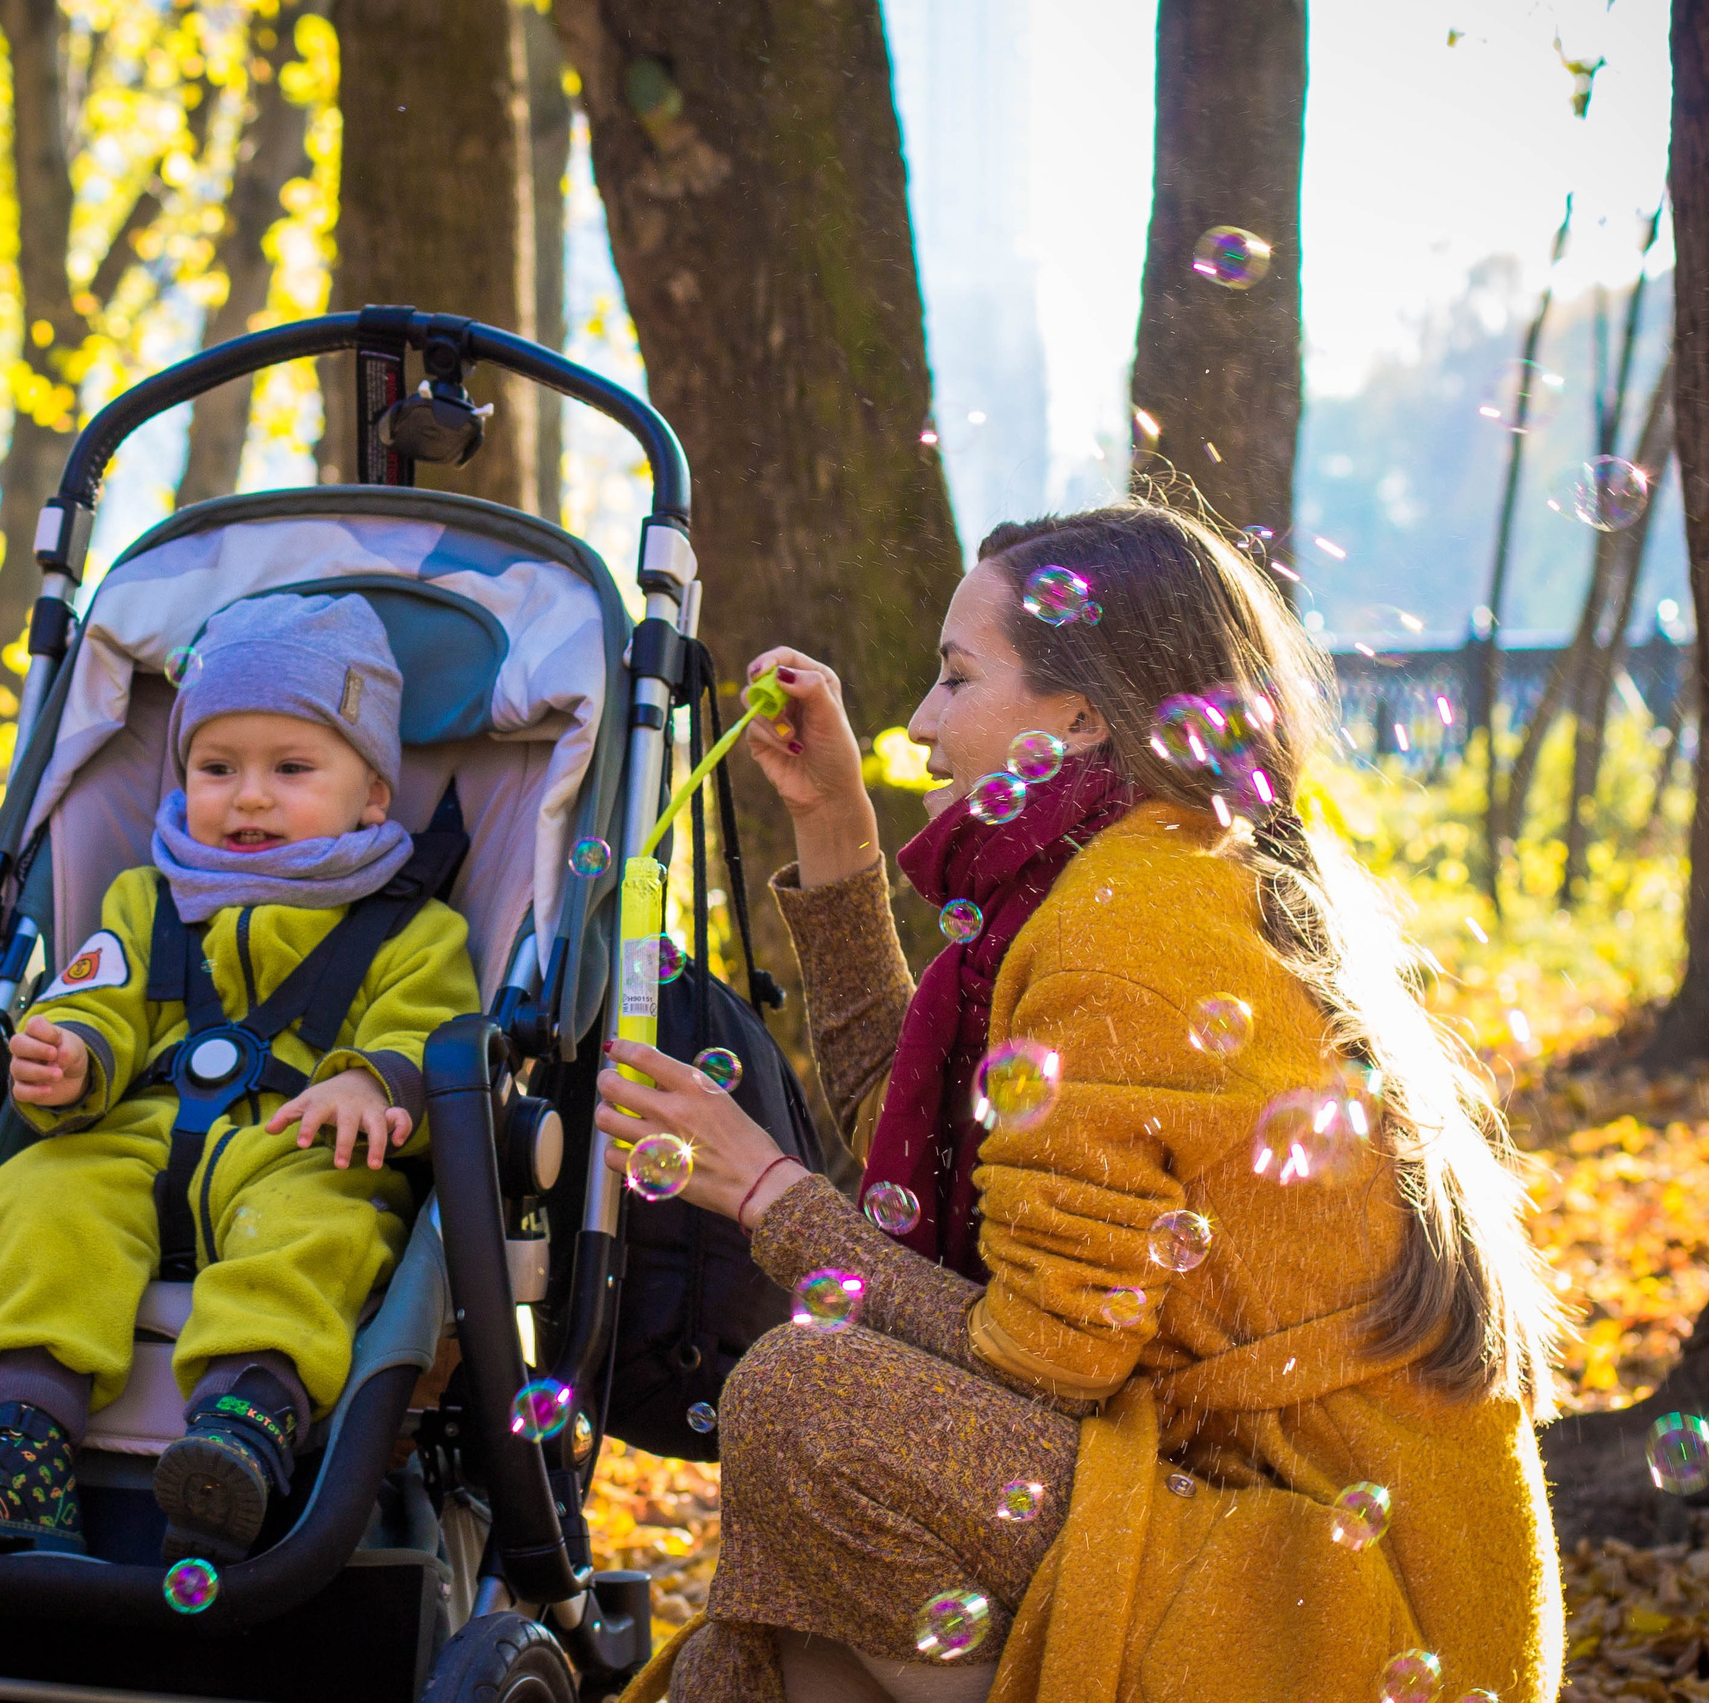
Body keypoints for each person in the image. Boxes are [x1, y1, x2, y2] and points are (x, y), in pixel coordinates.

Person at [599, 505, 1566, 1703]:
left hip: (1335, 1601)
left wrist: (764, 1194)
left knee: (809, 1403)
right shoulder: (1131, 874)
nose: (920, 721)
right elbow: (930, 1159)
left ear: (1085, 715)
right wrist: (834, 826)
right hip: (1275, 1538)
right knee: (787, 1629)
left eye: (955, 679)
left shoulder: (1126, 931)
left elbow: (1038, 1362)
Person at [0, 594, 479, 1562]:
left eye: (291, 769)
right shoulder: (145, 898)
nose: (246, 797)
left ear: (373, 794)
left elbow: (433, 1027)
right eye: (215, 768)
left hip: (293, 1152)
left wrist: (373, 1084)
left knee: (323, 1228)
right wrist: (68, 1052)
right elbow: (97, 993)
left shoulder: (412, 926)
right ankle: (20, 1444)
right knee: (36, 1194)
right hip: (135, 1139)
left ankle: (242, 1423)